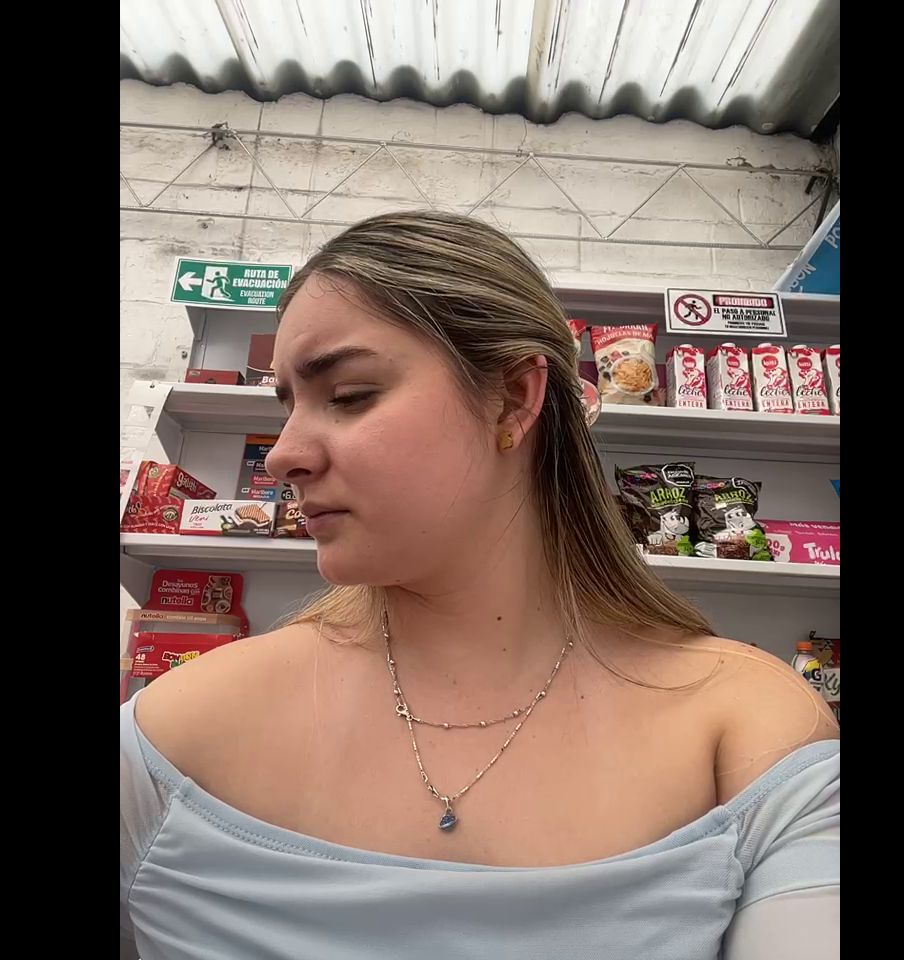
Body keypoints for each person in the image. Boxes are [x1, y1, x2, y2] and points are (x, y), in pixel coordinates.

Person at [120, 211, 839, 959]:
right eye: (288, 403)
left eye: (350, 394)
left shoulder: (748, 734)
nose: (282, 455)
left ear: (514, 398)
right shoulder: (170, 736)